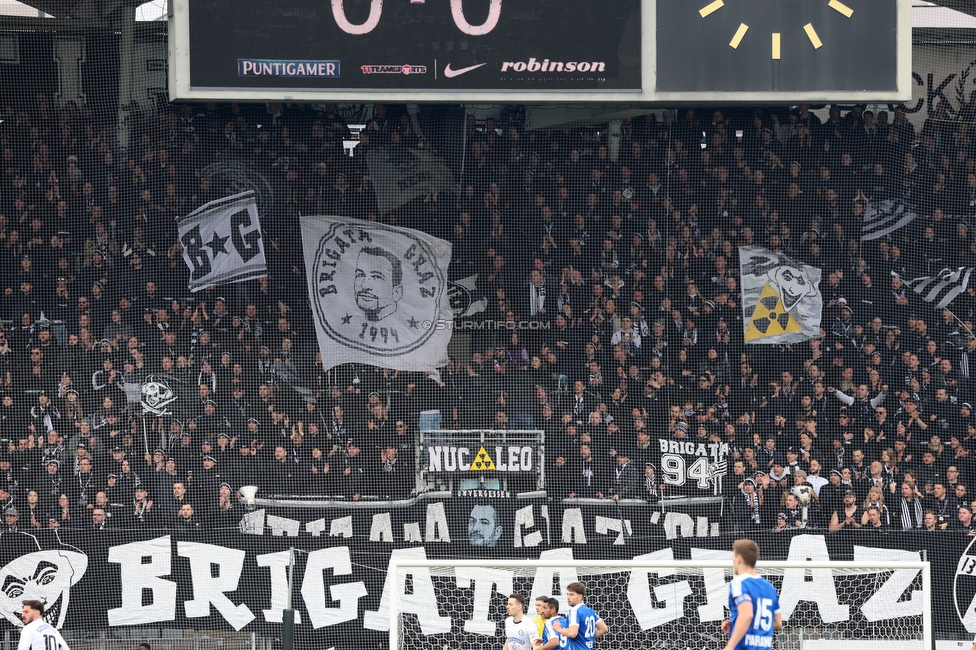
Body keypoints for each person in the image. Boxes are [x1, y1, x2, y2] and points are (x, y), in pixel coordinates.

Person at [721, 539, 782, 650]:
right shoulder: (769, 587)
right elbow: (778, 623)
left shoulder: (738, 583)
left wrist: (729, 646)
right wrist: (737, 623)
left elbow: (747, 614)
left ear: (738, 559)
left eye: (733, 558)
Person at [552, 582, 608, 650]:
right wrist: (585, 637)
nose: (568, 597)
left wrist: (558, 629)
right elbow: (604, 629)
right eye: (567, 594)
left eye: (571, 595)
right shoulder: (590, 611)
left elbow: (572, 633)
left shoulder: (574, 611)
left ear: (580, 597)